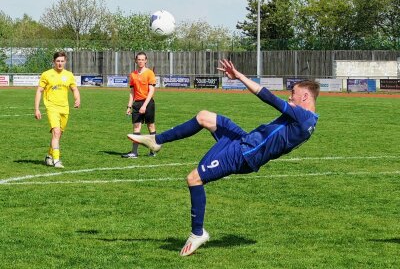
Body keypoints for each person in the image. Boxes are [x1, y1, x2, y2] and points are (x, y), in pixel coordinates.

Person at [127, 59, 320, 256]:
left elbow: (268, 97)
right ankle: (156, 141)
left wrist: (239, 76)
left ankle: (197, 233)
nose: (289, 97)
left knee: (194, 178)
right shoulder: (309, 120)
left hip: (245, 154)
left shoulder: (303, 117)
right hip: (246, 141)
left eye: (292, 94)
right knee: (204, 116)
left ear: (305, 96)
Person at [34, 51, 81, 168]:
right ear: (54, 62)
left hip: (65, 108)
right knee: (56, 132)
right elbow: (39, 91)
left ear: (65, 61)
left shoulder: (69, 75)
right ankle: (56, 159)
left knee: (58, 135)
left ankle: (49, 156)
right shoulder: (46, 74)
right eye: (57, 61)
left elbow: (74, 89)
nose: (60, 63)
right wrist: (37, 109)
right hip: (51, 107)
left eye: (62, 61)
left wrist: (77, 99)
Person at [122, 52, 157, 158]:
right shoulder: (133, 74)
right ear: (135, 61)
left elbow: (151, 91)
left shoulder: (150, 73)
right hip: (137, 104)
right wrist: (129, 106)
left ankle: (153, 150)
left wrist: (144, 106)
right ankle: (134, 152)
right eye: (139, 59)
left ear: (146, 60)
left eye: (143, 59)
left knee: (150, 126)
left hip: (148, 102)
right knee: (136, 127)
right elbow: (132, 92)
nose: (141, 61)